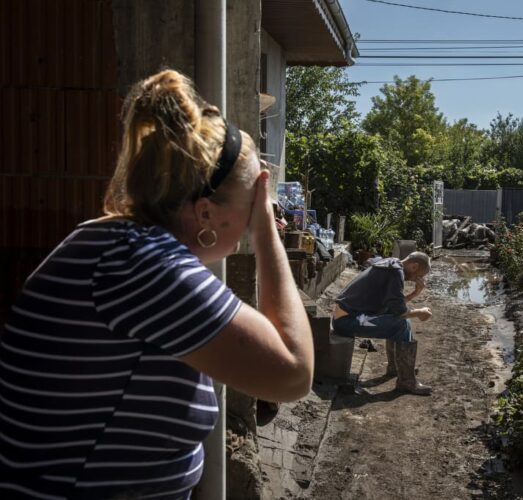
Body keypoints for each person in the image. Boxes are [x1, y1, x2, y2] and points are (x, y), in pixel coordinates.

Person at [0, 69, 313, 499]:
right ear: (205, 213)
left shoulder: (116, 245)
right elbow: (293, 375)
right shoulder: (144, 266)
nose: (249, 226)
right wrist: (267, 236)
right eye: (251, 208)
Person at [332, 252, 433, 395]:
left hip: (350, 315)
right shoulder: (395, 273)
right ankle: (406, 381)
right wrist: (420, 312)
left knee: (403, 321)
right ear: (414, 266)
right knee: (401, 324)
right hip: (348, 321)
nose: (417, 279)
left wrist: (415, 294)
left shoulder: (392, 264)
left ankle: (396, 368)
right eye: (419, 275)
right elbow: (400, 312)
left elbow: (395, 306)